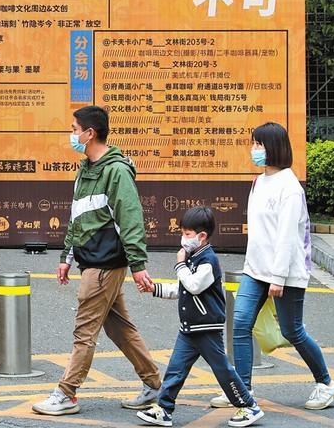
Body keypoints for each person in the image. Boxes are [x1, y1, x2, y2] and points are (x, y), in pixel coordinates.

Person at [32, 105, 162, 416]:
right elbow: (78, 217)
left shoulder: (116, 171)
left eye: (74, 129)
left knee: (84, 330)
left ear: (89, 134)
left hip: (105, 263)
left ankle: (67, 393)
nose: (71, 134)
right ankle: (156, 385)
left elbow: (130, 219)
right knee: (119, 328)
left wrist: (138, 265)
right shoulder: (85, 169)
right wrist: (66, 256)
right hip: (91, 259)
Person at [209, 121, 334, 410]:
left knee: (292, 331)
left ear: (274, 148)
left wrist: (278, 277)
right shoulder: (259, 182)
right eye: (253, 143)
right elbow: (260, 234)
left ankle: (327, 384)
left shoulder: (289, 187)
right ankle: (242, 390)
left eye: (259, 144)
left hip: (286, 273)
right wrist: (254, 266)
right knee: (240, 325)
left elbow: (287, 237)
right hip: (256, 270)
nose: (253, 149)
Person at [138, 207, 264, 427]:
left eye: (187, 234)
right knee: (175, 369)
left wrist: (179, 264)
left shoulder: (208, 261)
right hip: (190, 327)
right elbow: (181, 288)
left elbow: (194, 285)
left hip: (206, 327)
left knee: (222, 370)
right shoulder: (193, 258)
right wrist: (154, 288)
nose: (183, 238)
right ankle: (164, 409)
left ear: (202, 236)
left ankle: (249, 406)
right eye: (183, 233)